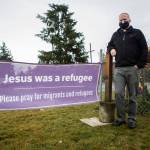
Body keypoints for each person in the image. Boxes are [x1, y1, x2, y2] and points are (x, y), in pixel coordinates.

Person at [107, 12, 148, 129]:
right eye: (120, 20)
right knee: (118, 93)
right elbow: (109, 45)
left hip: (132, 69)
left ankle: (131, 119)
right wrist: (112, 49)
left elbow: (144, 49)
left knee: (132, 95)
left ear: (130, 19)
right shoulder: (116, 34)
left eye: (124, 19)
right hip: (119, 69)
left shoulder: (137, 33)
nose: (122, 22)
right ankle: (120, 118)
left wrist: (138, 65)